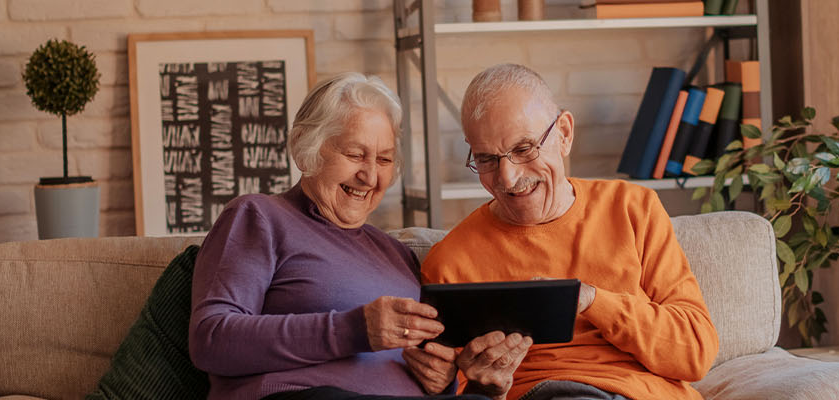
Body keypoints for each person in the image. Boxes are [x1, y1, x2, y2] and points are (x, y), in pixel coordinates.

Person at [408, 64, 720, 400]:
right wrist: (487, 387)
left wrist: (591, 300)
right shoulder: (450, 261)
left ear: (564, 134)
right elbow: (457, 388)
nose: (508, 179)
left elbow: (695, 353)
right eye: (486, 159)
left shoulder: (633, 208)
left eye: (524, 149)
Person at [188, 72, 495, 400]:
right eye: (355, 155)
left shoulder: (398, 254)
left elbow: (421, 366)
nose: (369, 175)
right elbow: (212, 340)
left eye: (384, 159)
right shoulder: (260, 217)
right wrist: (355, 329)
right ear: (308, 148)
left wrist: (442, 380)